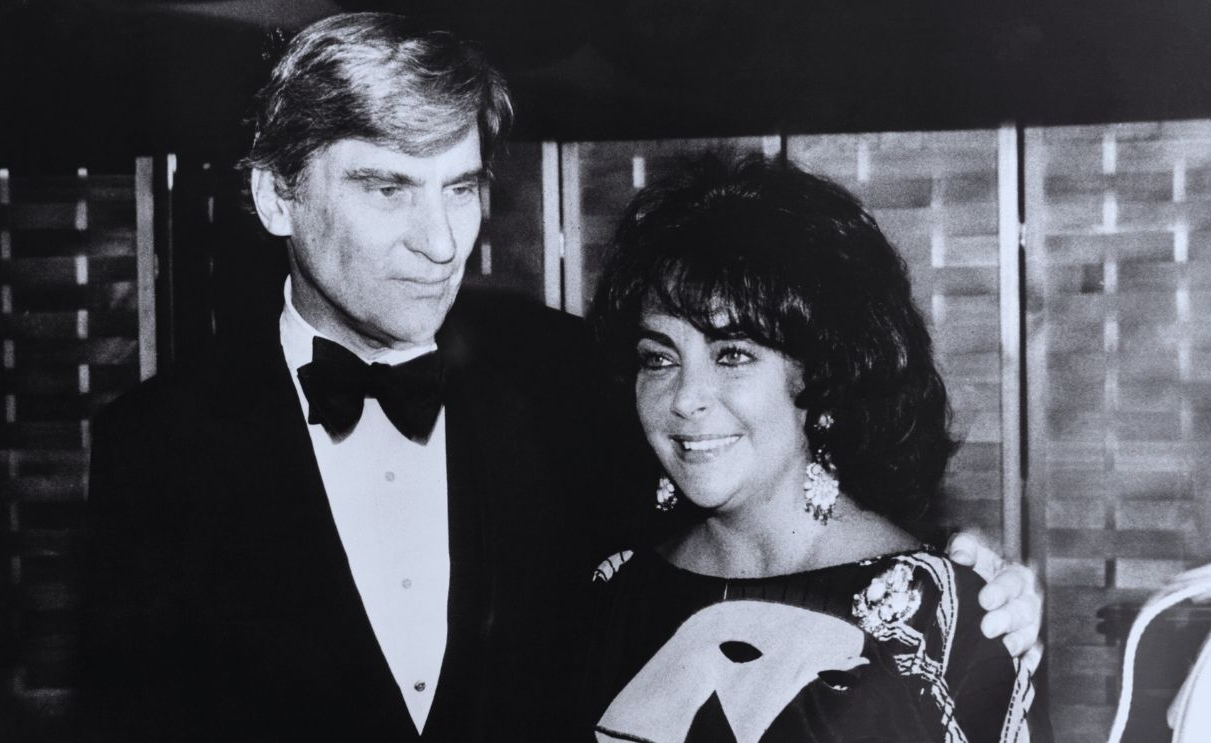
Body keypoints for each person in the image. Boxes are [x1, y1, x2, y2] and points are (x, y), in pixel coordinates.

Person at [82, 12, 1040, 743]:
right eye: (387, 188)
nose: (440, 242)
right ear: (273, 195)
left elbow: (768, 491)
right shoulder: (157, 443)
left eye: (461, 188)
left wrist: (967, 571)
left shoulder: (570, 376)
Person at [583, 155, 1051, 742]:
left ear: (825, 376)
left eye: (732, 354)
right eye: (658, 358)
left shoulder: (938, 620)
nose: (685, 397)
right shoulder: (609, 590)